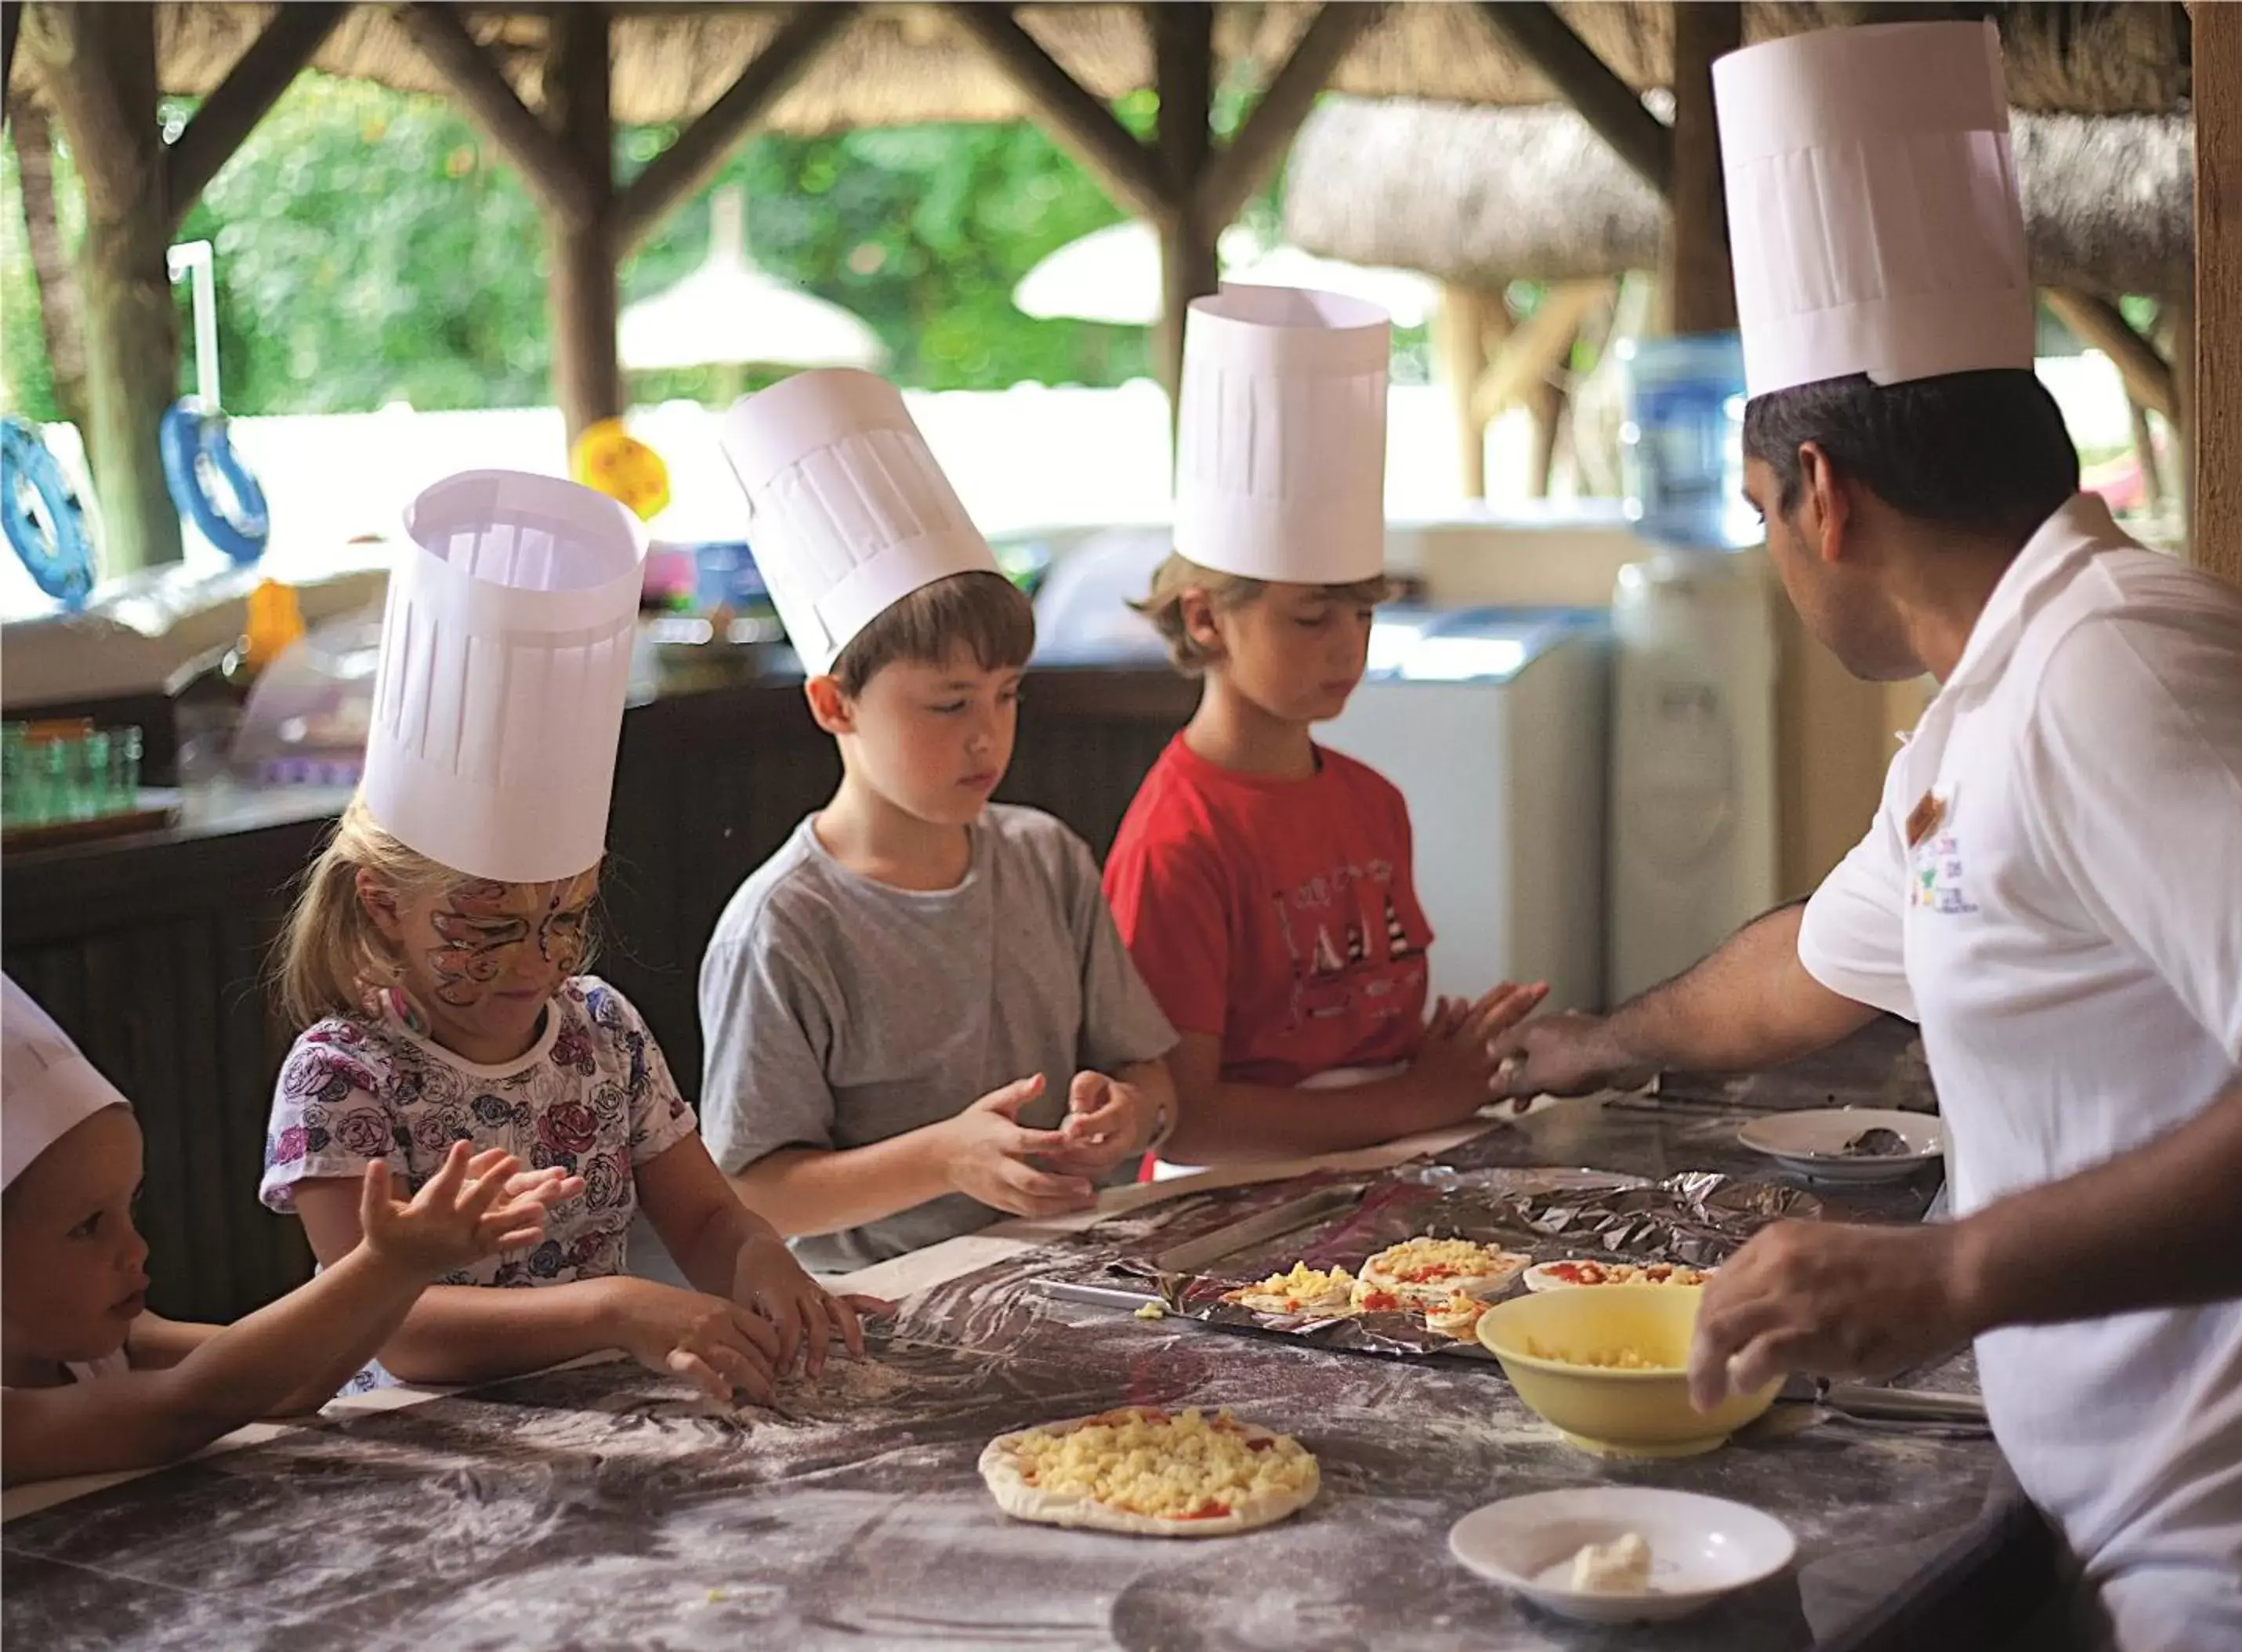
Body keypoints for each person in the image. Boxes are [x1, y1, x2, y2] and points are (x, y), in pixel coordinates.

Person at [1494, 22, 2242, 1650]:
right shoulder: (1991, 701)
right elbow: (1815, 963)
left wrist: (1949, 1274)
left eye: (1758, 517)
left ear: (1822, 493)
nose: (1772, 556)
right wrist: (1591, 1042)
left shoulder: (2130, 671)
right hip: (2128, 1520)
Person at [259, 469, 869, 1404]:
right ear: (384, 902)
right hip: (403, 1451)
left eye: (565, 920)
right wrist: (614, 1308)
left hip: (600, 1413)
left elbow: (705, 1217)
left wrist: (761, 1259)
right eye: (494, 925)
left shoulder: (603, 1033)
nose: (539, 961)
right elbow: (393, 1326)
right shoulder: (343, 1075)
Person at [698, 370, 1179, 1272]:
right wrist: (942, 1158)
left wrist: (1127, 1113)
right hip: (881, 1301)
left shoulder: (1044, 857)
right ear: (834, 703)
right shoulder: (787, 924)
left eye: (1006, 697)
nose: (988, 736)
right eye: (949, 704)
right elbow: (754, 1186)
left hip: (1076, 1266)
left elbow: (1149, 1074)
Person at [1103, 285, 1545, 1169]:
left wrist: (1436, 1056)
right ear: (1205, 619)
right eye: (1312, 619)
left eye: (1362, 615)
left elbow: (1352, 1043)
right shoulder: (1177, 844)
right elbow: (1188, 1117)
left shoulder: (1371, 801)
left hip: (1379, 1164)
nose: (1347, 647)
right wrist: (1410, 1098)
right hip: (1229, 1196)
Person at [3, 976, 578, 1486]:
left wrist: (414, 1259)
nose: (136, 1249)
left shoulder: (119, 1343)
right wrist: (385, 1264)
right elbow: (184, 1409)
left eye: (132, 1207)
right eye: (87, 1228)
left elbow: (292, 1386)